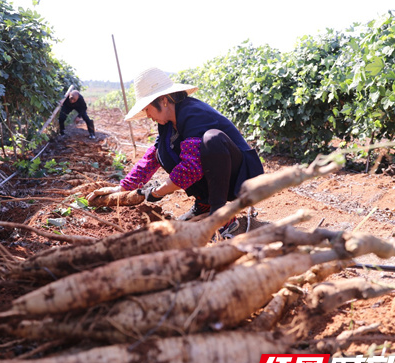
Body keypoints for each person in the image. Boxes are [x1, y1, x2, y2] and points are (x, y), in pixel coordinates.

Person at [87, 67, 264, 237]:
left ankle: (220, 215)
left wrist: (158, 192)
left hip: (243, 178)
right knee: (164, 151)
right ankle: (205, 204)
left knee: (212, 140)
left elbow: (191, 167)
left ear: (163, 100)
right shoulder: (167, 124)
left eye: (147, 108)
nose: (147, 115)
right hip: (223, 179)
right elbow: (152, 157)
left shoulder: (193, 113)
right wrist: (123, 187)